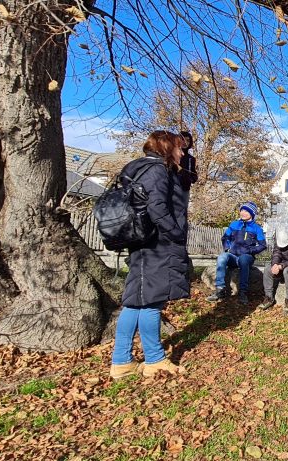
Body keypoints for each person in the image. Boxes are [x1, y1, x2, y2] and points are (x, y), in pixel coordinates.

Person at [110, 131, 190, 379]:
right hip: (157, 245)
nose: (182, 153)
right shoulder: (157, 171)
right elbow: (157, 207)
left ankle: (121, 361)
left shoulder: (139, 169)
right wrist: (175, 233)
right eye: (179, 148)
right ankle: (154, 360)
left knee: (135, 302)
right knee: (151, 303)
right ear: (167, 148)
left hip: (142, 243)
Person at [208, 202, 267, 304]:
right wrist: (227, 248)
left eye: (246, 211)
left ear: (252, 214)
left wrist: (250, 250)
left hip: (246, 257)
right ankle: (220, 290)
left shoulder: (257, 228)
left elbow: (263, 245)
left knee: (244, 259)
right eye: (242, 210)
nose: (243, 213)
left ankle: (243, 293)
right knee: (222, 257)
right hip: (233, 256)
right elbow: (225, 238)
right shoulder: (234, 224)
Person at [258, 225, 288, 313]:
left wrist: (282, 265)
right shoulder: (279, 237)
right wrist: (275, 264)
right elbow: (276, 253)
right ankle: (269, 297)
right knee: (268, 269)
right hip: (281, 264)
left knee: (287, 271)